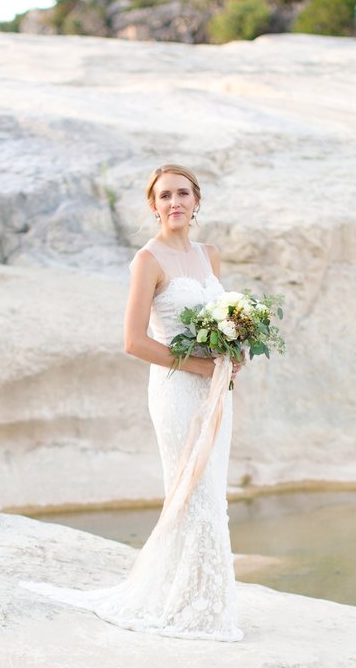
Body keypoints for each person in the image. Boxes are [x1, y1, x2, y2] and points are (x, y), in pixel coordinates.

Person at [22, 163, 245, 641]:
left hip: (214, 389)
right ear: (153, 206)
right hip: (176, 389)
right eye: (164, 196)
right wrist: (201, 367)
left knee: (213, 491)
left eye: (183, 193)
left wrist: (234, 352)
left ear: (197, 201)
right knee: (191, 491)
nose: (175, 203)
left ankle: (204, 600)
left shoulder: (211, 256)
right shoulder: (149, 260)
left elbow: (221, 320)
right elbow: (133, 341)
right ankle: (186, 607)